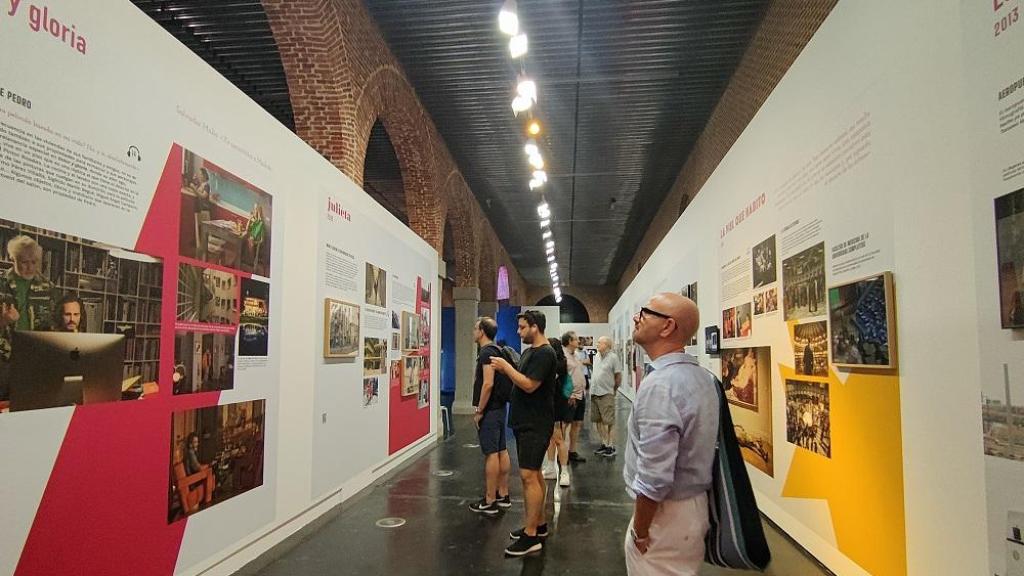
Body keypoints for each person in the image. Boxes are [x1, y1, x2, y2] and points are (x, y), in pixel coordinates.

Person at [623, 293, 719, 576]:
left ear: (667, 327)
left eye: (645, 312)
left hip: (666, 516)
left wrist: (640, 531)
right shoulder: (703, 378)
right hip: (691, 509)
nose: (636, 317)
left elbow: (654, 477)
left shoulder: (661, 385)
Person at [490, 310, 557, 557]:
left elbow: (529, 385)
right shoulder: (530, 352)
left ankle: (531, 537)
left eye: (522, 327)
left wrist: (506, 367)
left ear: (535, 327)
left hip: (535, 423)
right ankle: (538, 526)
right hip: (525, 422)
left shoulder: (545, 354)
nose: (518, 332)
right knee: (534, 473)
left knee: (528, 476)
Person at [0, 235, 58, 401]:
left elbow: (54, 323)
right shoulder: (1, 283)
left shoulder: (48, 287)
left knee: (30, 403)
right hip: (4, 357)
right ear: (13, 259)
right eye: (24, 262)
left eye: (34, 262)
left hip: (35, 357)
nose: (30, 267)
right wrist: (3, 321)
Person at [468, 317, 513, 516]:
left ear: (482, 332)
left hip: (490, 410)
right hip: (500, 408)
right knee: (501, 450)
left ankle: (490, 500)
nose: (473, 331)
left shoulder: (486, 352)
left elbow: (488, 384)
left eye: (475, 328)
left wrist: (479, 411)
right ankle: (503, 495)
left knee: (491, 453)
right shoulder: (496, 350)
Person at [542, 337, 570, 486]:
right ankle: (551, 467)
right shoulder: (554, 363)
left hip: (557, 404)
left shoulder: (559, 364)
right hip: (548, 403)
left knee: (558, 438)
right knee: (550, 437)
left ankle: (564, 471)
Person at [590, 336, 621, 456]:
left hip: (606, 393)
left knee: (609, 421)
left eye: (599, 342)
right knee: (598, 420)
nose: (597, 344)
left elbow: (618, 376)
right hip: (594, 392)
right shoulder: (596, 356)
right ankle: (604, 443)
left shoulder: (613, 358)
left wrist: (613, 390)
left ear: (607, 345)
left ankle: (611, 445)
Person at [564, 332, 588, 463]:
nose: (578, 341)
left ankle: (572, 451)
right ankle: (563, 453)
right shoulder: (563, 356)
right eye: (576, 339)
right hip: (571, 396)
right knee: (566, 425)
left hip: (581, 394)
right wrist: (570, 394)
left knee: (577, 423)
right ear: (569, 341)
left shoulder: (577, 355)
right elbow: (564, 378)